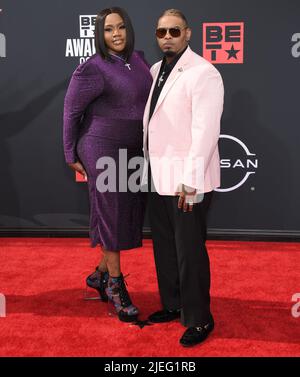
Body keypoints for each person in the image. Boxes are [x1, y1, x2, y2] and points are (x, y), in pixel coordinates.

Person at [63, 7, 152, 322]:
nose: (116, 34)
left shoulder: (139, 60)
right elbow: (72, 112)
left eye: (121, 28)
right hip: (101, 147)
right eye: (108, 29)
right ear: (100, 34)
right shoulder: (92, 68)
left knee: (126, 215)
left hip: (133, 148)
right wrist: (69, 153)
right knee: (112, 213)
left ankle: (99, 275)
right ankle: (116, 286)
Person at [142, 9, 224, 346]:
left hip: (188, 181)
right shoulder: (154, 70)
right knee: (164, 246)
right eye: (161, 32)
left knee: (189, 249)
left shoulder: (204, 73)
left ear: (188, 33)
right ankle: (173, 304)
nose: (167, 37)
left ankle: (200, 318)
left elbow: (205, 131)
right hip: (158, 175)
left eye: (174, 31)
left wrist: (190, 180)